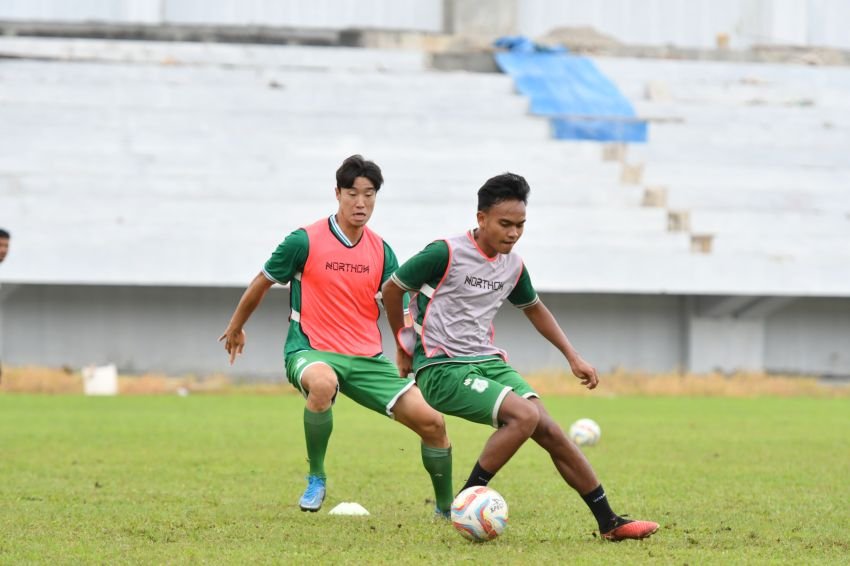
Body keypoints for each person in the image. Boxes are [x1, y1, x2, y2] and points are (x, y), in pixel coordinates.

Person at [381, 173, 659, 541]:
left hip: (488, 361)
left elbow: (535, 309)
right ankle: (467, 501)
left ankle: (610, 522)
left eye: (521, 225)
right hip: (442, 367)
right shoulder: (444, 252)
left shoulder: (513, 266)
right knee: (524, 416)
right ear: (481, 219)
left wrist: (572, 357)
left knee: (549, 429)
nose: (513, 233)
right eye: (505, 224)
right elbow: (392, 288)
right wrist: (404, 346)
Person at [219, 155, 454, 516]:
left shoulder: (382, 251)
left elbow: (400, 306)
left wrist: (407, 349)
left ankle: (447, 510)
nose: (361, 203)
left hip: (366, 359)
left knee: (433, 423)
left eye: (369, 195)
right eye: (352, 194)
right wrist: (236, 326)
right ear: (337, 194)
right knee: (323, 383)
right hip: (311, 350)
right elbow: (261, 281)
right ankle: (316, 477)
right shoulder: (304, 241)